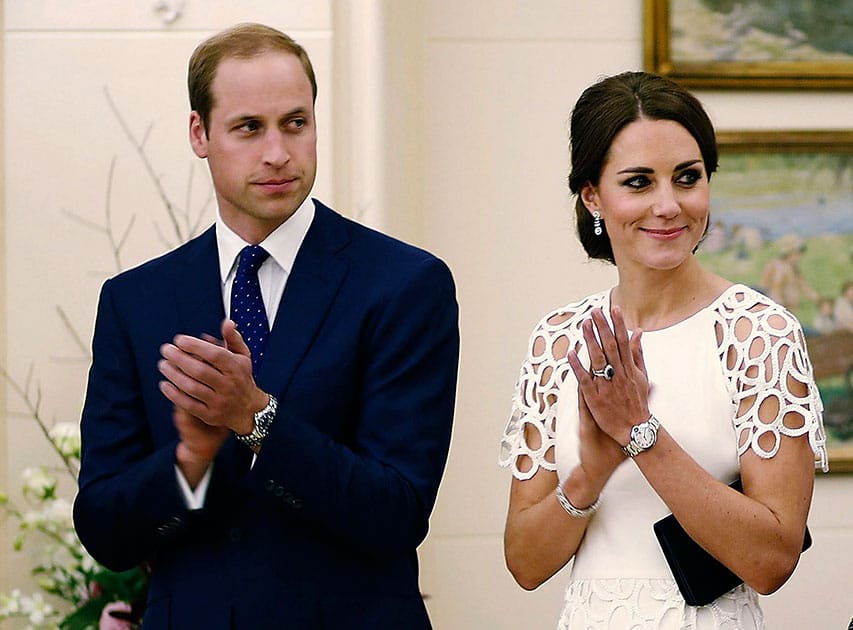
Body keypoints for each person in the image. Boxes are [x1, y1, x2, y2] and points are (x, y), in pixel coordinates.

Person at [73, 23, 459, 629]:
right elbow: (105, 530)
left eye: (296, 123)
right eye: (249, 127)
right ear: (200, 133)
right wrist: (190, 461)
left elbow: (398, 511)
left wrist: (257, 419)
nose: (278, 152)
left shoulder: (405, 283)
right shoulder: (135, 301)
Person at [499, 71, 827, 629]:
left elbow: (772, 560)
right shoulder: (559, 340)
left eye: (687, 177)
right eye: (638, 182)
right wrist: (588, 476)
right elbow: (526, 564)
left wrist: (641, 435)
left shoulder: (759, 334)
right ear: (592, 196)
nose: (669, 205)